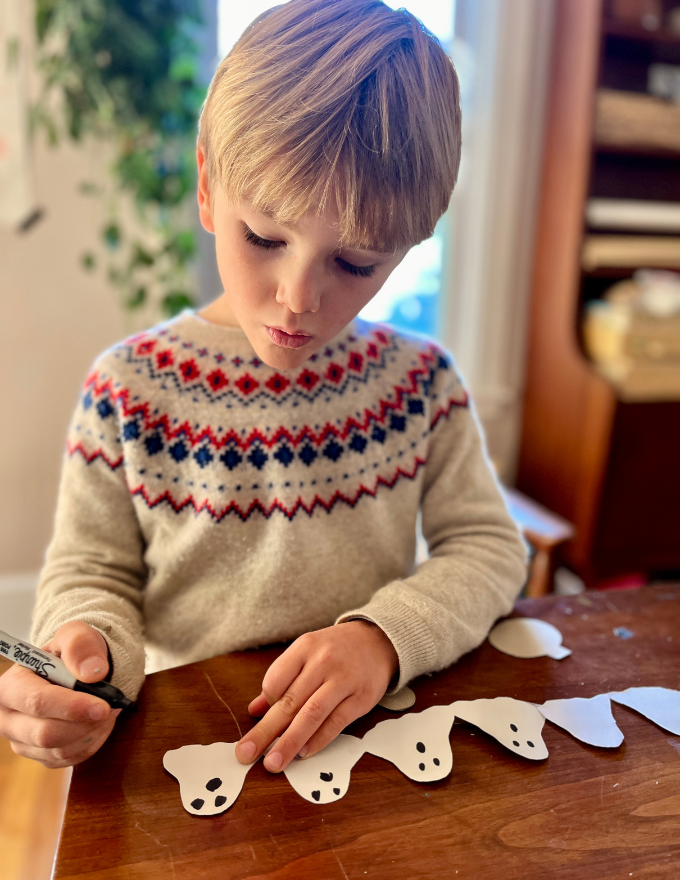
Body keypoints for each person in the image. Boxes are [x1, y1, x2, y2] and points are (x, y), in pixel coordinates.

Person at [0, 0, 526, 772]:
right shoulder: (128, 391)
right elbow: (93, 573)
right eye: (265, 238)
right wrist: (88, 649)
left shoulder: (420, 386)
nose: (298, 298)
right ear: (210, 188)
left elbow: (487, 546)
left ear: (410, 247)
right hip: (190, 759)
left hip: (368, 754)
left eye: (355, 263)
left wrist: (384, 637)